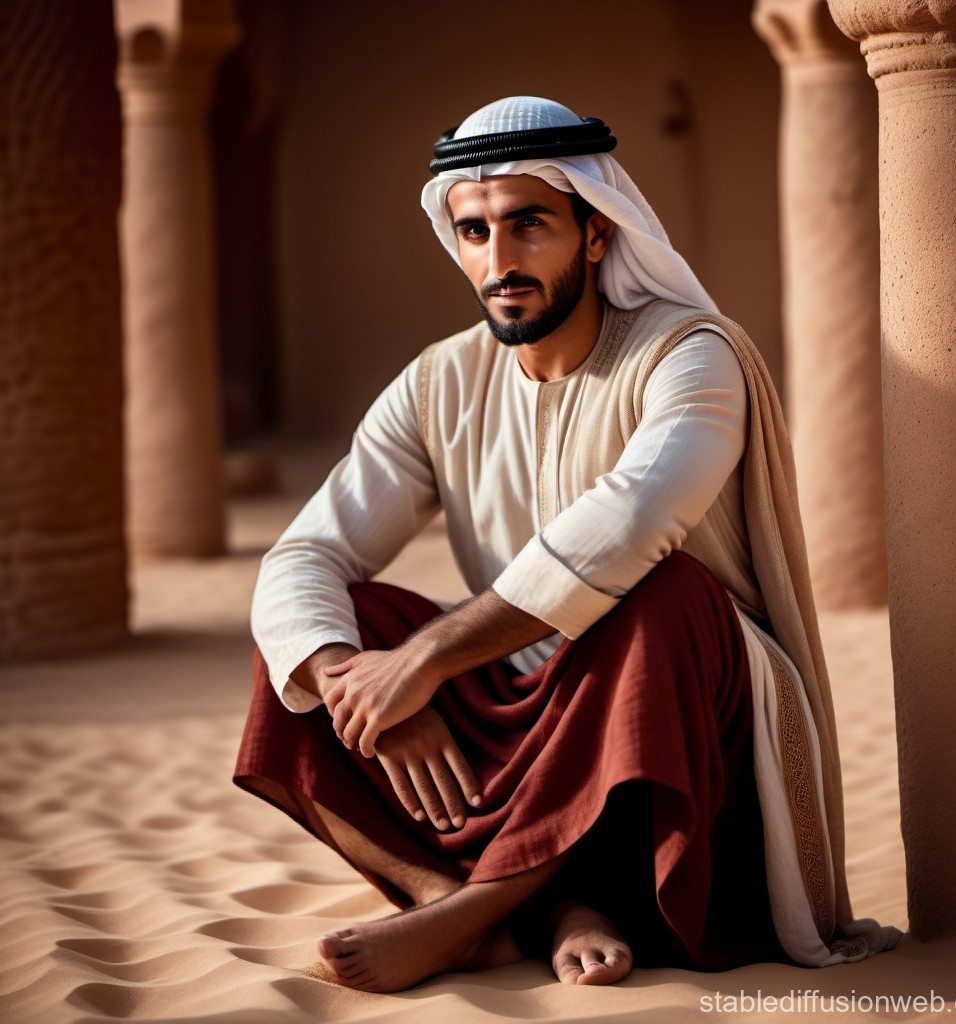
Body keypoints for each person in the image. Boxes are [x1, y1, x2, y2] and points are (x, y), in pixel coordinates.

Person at [235, 96, 900, 993]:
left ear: (596, 232)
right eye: (473, 233)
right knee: (317, 631)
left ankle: (480, 910)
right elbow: (303, 555)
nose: (497, 261)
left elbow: (631, 524)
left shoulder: (688, 355)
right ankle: (503, 904)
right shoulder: (439, 384)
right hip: (526, 706)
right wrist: (356, 681)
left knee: (666, 593)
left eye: (528, 226)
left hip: (683, 715)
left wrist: (427, 658)